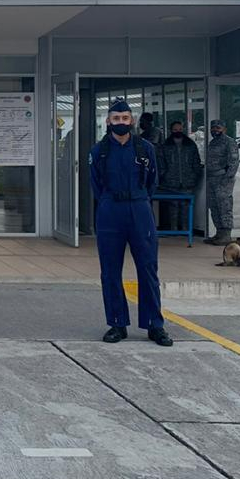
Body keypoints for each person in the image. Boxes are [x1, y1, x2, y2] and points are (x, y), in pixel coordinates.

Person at [89, 99, 173, 347]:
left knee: (148, 268)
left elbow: (152, 181)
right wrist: (109, 202)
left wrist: (139, 201)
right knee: (110, 271)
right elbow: (96, 185)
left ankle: (154, 325)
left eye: (125, 119)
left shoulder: (145, 148)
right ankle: (117, 323)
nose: (121, 123)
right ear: (108, 121)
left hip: (139, 209)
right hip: (110, 209)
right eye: (116, 119)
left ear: (132, 121)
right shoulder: (99, 151)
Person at [157, 120, 203, 232]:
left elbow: (196, 162)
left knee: (186, 207)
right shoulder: (165, 146)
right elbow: (161, 163)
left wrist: (195, 176)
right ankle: (174, 229)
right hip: (170, 182)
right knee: (173, 207)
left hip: (188, 182)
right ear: (171, 131)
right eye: (175, 130)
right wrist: (164, 176)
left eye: (180, 129)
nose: (178, 131)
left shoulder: (191, 145)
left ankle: (185, 229)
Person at [204, 119, 239, 245]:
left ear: (224, 129)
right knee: (214, 206)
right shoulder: (212, 143)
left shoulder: (229, 142)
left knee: (224, 206)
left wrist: (227, 179)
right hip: (211, 179)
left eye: (218, 128)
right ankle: (219, 233)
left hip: (223, 179)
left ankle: (226, 234)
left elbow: (233, 163)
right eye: (213, 128)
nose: (215, 130)